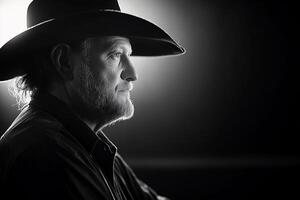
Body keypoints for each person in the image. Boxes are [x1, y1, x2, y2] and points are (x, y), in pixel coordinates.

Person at [0, 0, 184, 199]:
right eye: (115, 54)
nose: (132, 74)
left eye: (129, 55)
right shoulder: (45, 156)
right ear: (64, 62)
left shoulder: (86, 144)